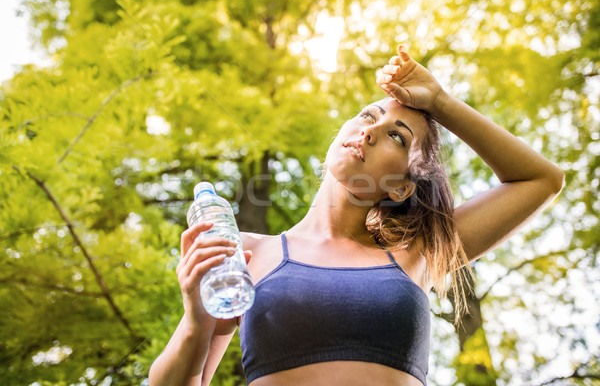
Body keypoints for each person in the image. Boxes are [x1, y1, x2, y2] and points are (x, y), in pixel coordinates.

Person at [148, 45, 565, 386]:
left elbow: (540, 180)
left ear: (402, 187)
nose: (370, 131)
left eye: (396, 138)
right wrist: (195, 322)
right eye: (369, 115)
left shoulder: (415, 253)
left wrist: (440, 102)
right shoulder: (247, 254)